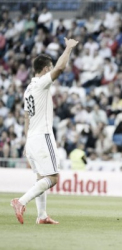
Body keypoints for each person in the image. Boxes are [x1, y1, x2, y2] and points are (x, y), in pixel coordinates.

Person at [11, 38, 79, 224]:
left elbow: (26, 116)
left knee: (41, 177)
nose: (51, 69)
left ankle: (41, 216)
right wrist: (68, 49)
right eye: (49, 67)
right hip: (42, 135)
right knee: (53, 178)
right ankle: (21, 201)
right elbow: (60, 69)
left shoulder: (28, 89)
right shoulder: (41, 83)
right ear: (45, 69)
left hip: (32, 137)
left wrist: (26, 141)